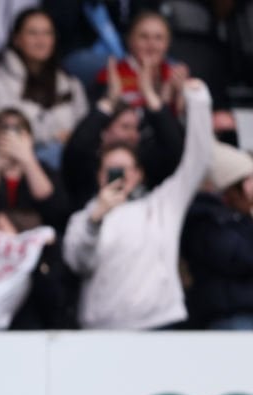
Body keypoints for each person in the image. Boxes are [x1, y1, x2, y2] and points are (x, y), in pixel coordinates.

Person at [63, 79, 212, 330]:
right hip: (102, 331)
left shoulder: (164, 203)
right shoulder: (85, 216)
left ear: (139, 173)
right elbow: (77, 262)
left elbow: (198, 159)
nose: (121, 177)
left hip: (160, 323)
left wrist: (198, 102)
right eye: (112, 171)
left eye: (126, 170)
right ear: (100, 175)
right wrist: (95, 221)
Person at [62, 52, 184, 212]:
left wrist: (148, 93)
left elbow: (174, 146)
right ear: (103, 131)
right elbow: (78, 146)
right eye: (125, 127)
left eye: (136, 128)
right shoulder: (87, 166)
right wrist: (110, 100)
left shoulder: (145, 162)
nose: (134, 134)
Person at [0, 8, 88, 170]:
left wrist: (71, 139)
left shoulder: (70, 82)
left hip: (68, 159)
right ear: (17, 39)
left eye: (47, 33)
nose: (41, 40)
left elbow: (85, 129)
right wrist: (54, 137)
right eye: (33, 33)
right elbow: (6, 127)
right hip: (16, 163)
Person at [182, 142, 253, 330]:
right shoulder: (206, 218)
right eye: (249, 180)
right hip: (232, 317)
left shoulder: (239, 217)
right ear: (232, 185)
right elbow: (243, 257)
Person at [0, 108, 70, 233]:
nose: (11, 135)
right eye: (4, 128)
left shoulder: (46, 171)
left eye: (18, 128)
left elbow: (57, 214)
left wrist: (28, 161)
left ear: (29, 137)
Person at [93, 11, 188, 114]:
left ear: (167, 43)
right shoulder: (110, 75)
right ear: (130, 40)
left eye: (159, 38)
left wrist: (180, 94)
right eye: (144, 36)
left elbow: (177, 124)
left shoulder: (175, 75)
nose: (152, 44)